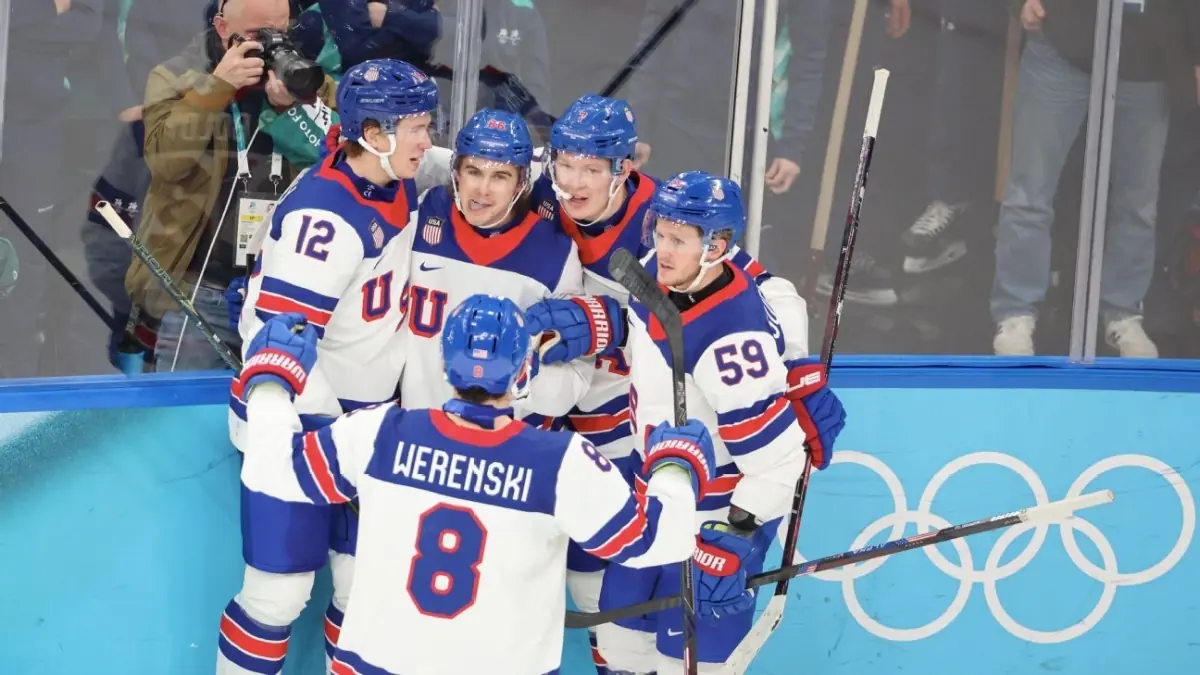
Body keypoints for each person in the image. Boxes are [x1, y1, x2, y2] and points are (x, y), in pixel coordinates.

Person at [234, 295, 716, 675]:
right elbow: (659, 540)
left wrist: (272, 378)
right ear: (524, 371)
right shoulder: (560, 462)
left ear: (445, 366)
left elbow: (271, 469)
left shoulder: (379, 432)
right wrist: (676, 466)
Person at [527, 92, 811, 674]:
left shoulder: (730, 332)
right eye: (567, 164)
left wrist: (737, 536)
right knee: (621, 648)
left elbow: (781, 459)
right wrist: (603, 323)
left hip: (705, 511)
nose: (574, 181)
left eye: (591, 168)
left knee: (687, 661)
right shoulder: (661, 262)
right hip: (650, 485)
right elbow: (643, 324)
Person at [218, 58, 438, 675]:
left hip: (364, 423)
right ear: (373, 133)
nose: (427, 140)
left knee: (365, 592)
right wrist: (332, 441)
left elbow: (460, 165)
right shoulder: (325, 218)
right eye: (418, 128)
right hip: (296, 426)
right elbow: (279, 347)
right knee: (276, 596)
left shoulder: (391, 175)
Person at [123, 0, 339, 373]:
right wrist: (216, 89)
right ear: (223, 28)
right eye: (258, 34)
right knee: (185, 407)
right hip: (197, 289)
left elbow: (341, 166)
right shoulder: (175, 76)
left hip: (279, 289)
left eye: (281, 32)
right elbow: (165, 160)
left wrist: (296, 109)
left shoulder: (307, 79)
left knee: (272, 402)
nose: (272, 44)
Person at [402, 108, 594, 420]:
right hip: (418, 430)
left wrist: (521, 375)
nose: (483, 189)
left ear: (520, 183)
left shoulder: (555, 254)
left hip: (502, 443)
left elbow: (575, 378)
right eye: (474, 172)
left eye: (500, 177)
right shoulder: (424, 213)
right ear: (457, 172)